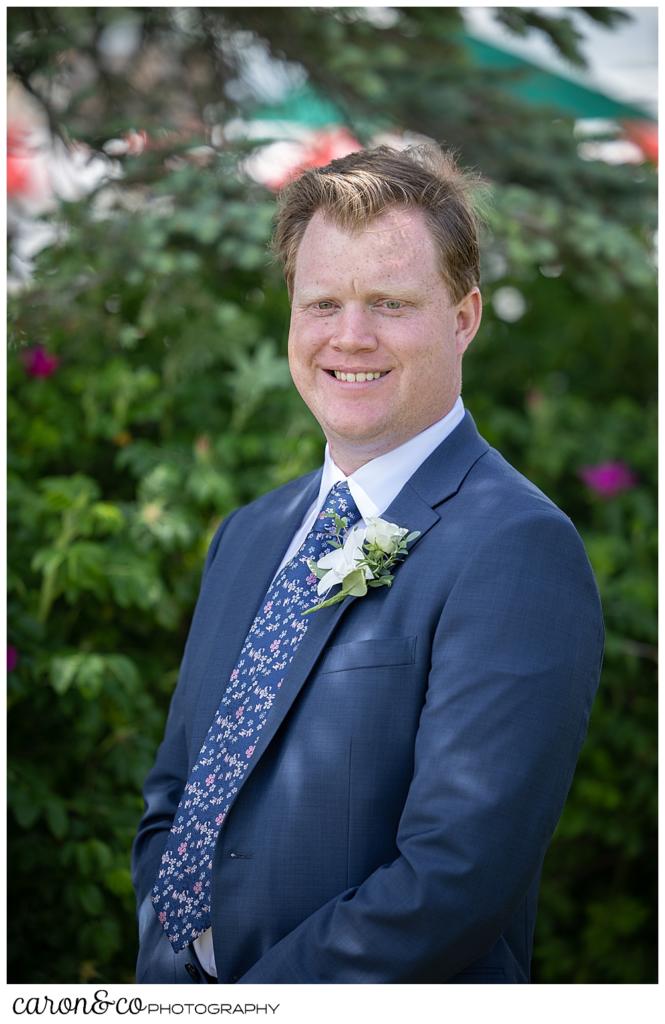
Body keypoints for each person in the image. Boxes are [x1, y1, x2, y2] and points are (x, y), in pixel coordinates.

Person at [132, 144, 604, 984]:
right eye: (323, 303)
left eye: (389, 302)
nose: (350, 337)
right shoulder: (248, 534)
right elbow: (177, 794)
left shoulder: (515, 547)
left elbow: (455, 878)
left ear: (463, 318)